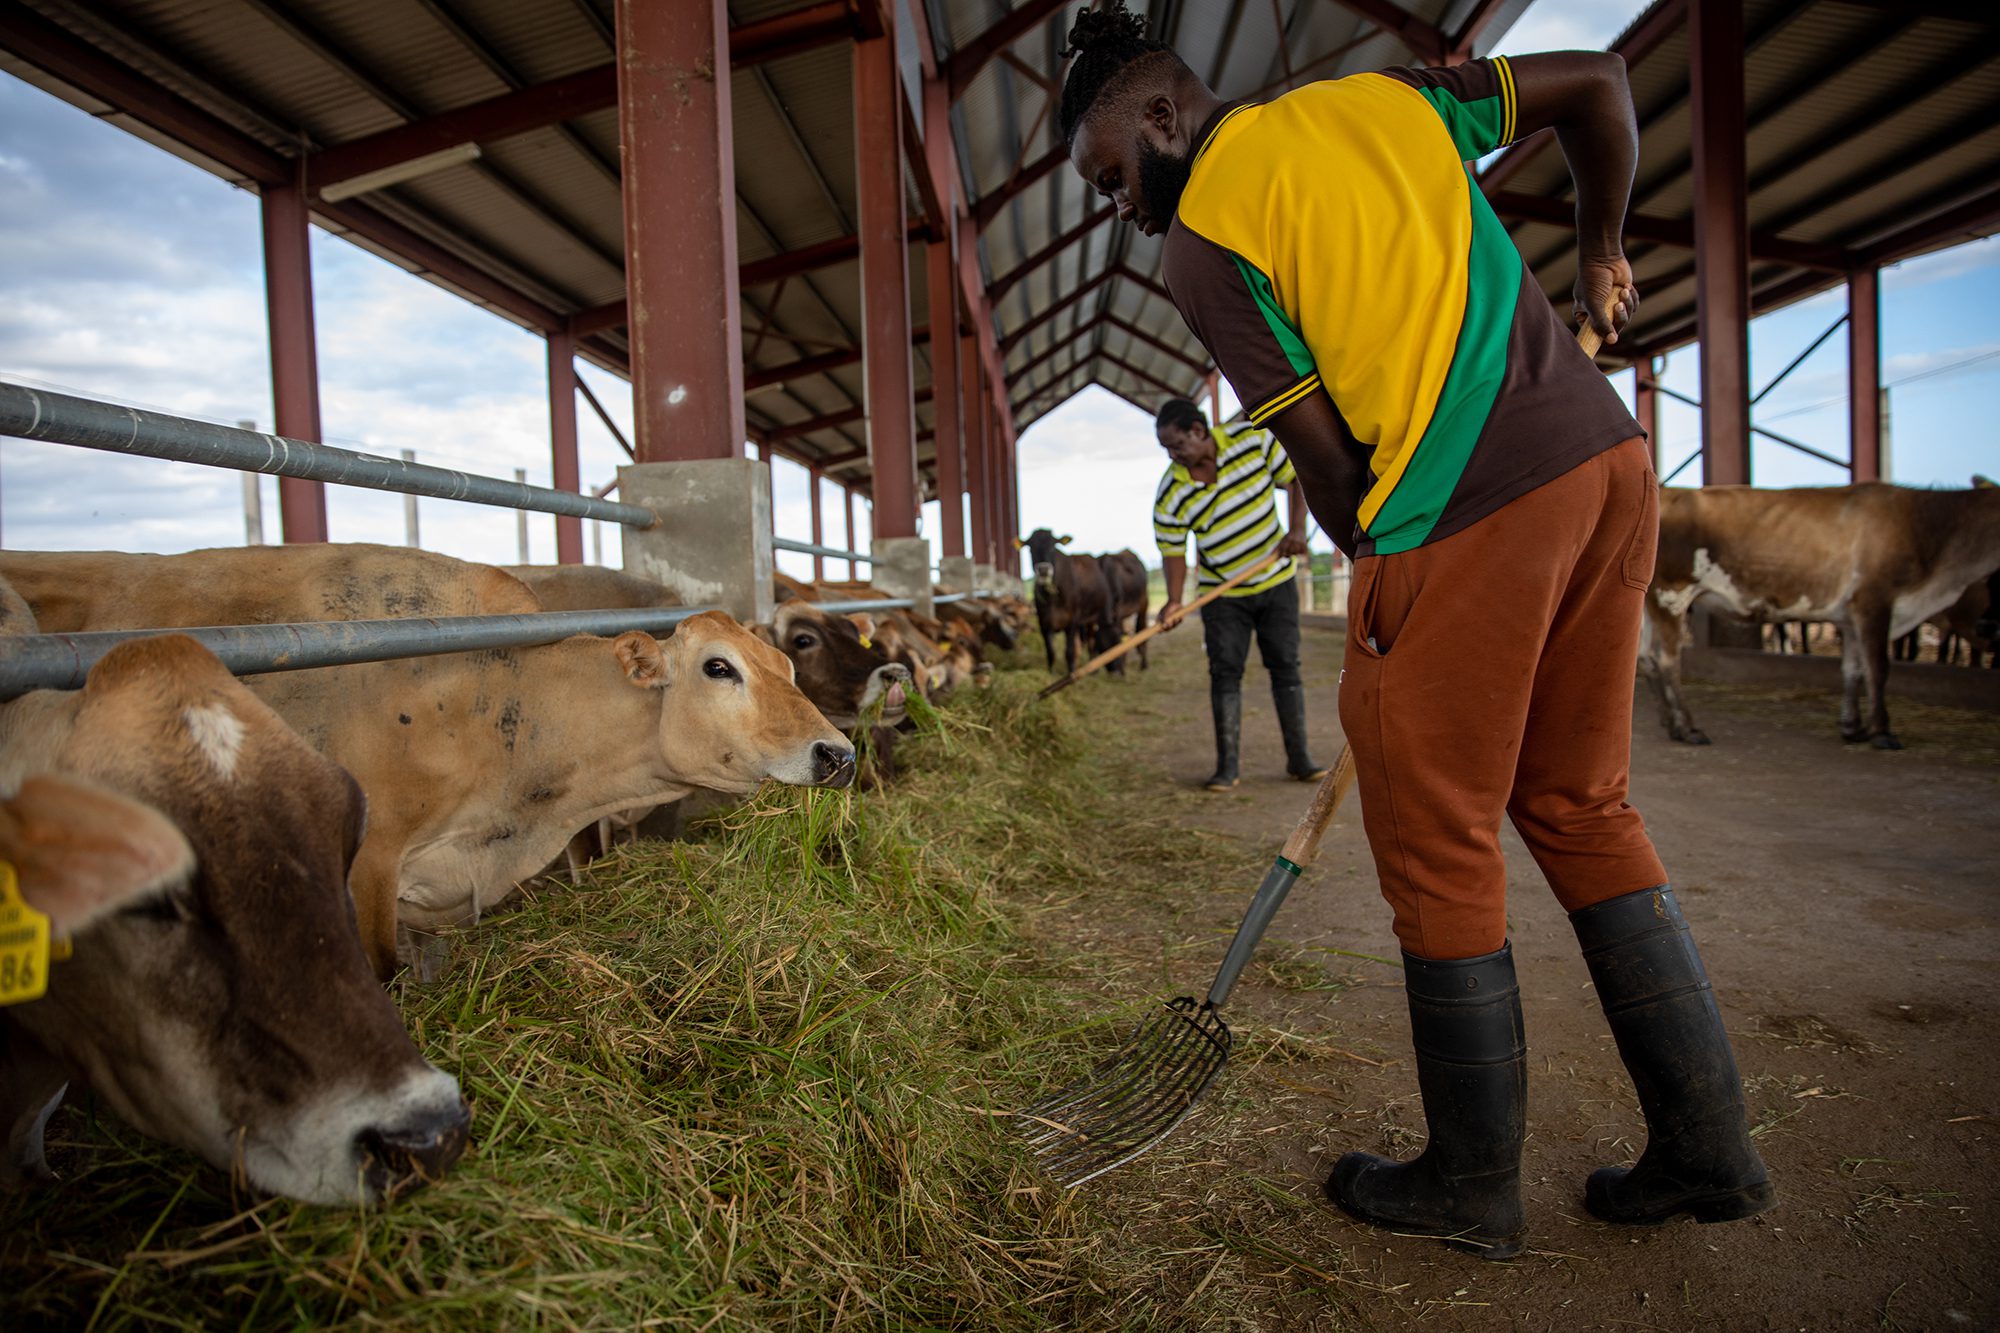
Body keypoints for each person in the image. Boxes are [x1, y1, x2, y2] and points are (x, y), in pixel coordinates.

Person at [1058, 3, 1773, 1260]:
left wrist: (1385, 596)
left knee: (1437, 837)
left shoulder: (1203, 243)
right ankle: (1706, 1148)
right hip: (1605, 468)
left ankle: (1468, 1184)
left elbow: (1322, 460)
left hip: (1464, 503)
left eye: (1111, 173)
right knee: (1577, 801)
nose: (1117, 204)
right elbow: (1598, 82)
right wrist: (1599, 243)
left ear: (1162, 116)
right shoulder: (1386, 99)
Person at [1152, 397, 1327, 791]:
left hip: (1275, 582)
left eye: (1176, 445)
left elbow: (1296, 478)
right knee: (1225, 674)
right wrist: (1175, 600)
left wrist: (1297, 531)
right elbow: (1172, 550)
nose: (1172, 455)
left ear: (1199, 431)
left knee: (1286, 666)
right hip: (1221, 597)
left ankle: (1300, 760)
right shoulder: (1170, 493)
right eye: (1166, 449)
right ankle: (1227, 768)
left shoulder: (1253, 442)